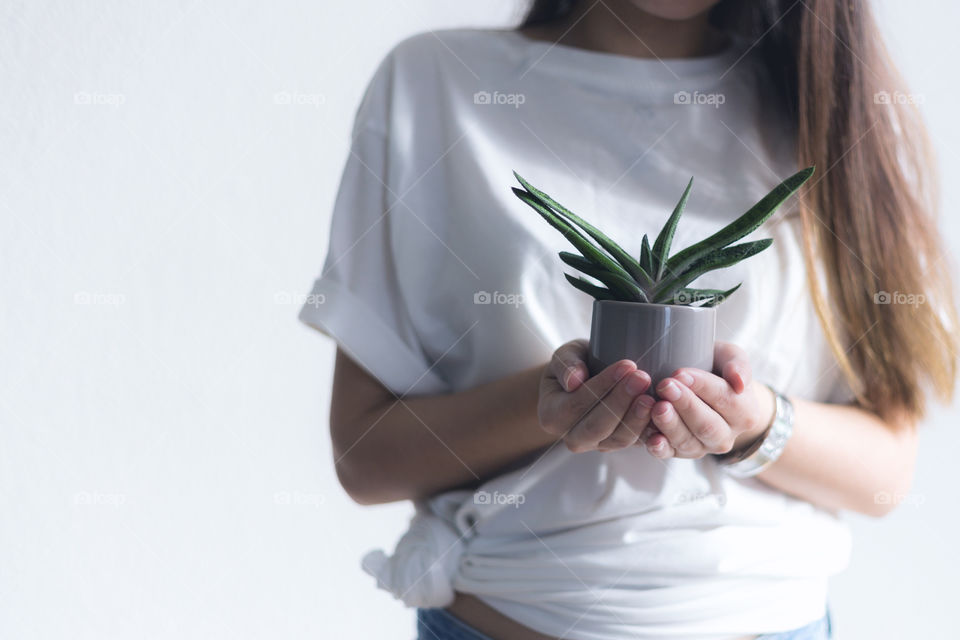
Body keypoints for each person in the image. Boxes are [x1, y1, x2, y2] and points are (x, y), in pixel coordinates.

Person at [299, 1, 957, 638]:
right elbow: (364, 459)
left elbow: (888, 471)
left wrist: (752, 422)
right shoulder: (432, 82)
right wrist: (548, 409)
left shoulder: (836, 111)